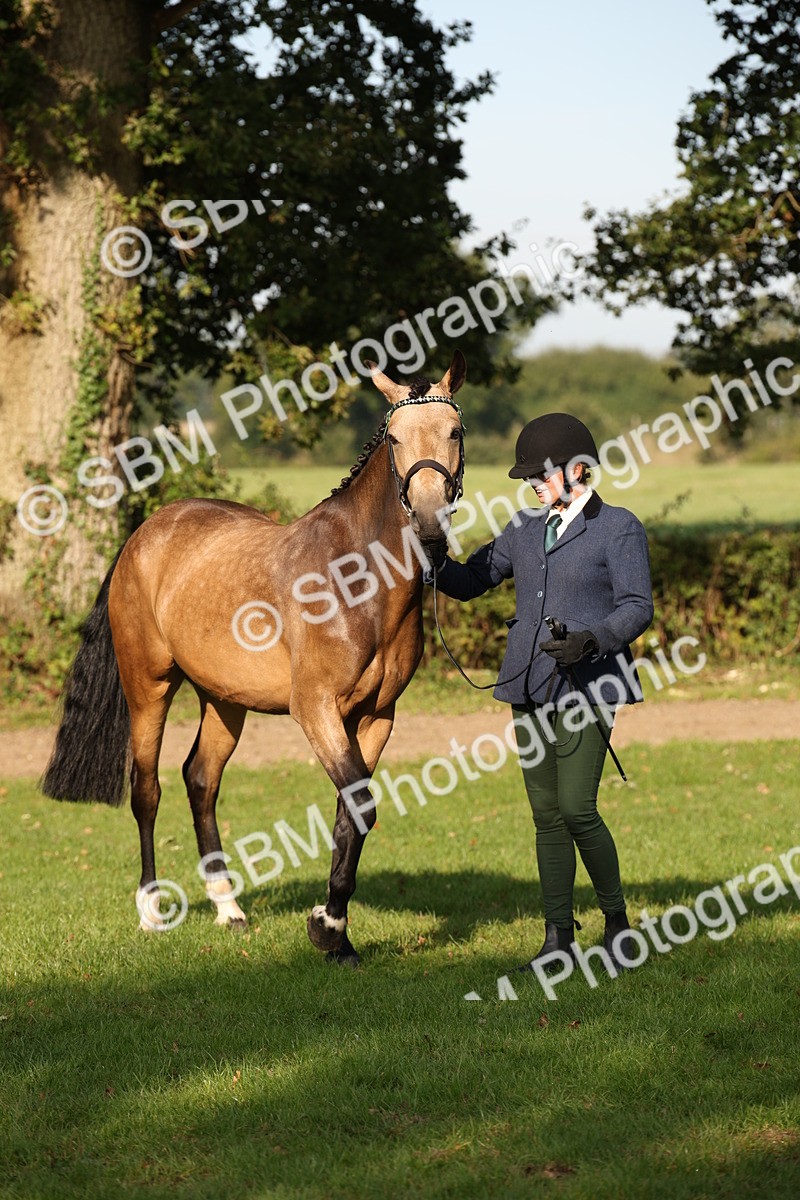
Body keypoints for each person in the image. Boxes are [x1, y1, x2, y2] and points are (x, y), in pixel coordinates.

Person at [431, 413, 654, 972]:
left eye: (540, 474)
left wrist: (593, 639)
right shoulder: (525, 529)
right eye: (527, 477)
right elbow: (471, 581)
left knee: (578, 809)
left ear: (578, 470)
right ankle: (558, 937)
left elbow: (637, 606)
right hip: (528, 683)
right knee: (545, 814)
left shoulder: (618, 527)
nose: (531, 484)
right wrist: (430, 556)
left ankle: (617, 924)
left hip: (588, 683)